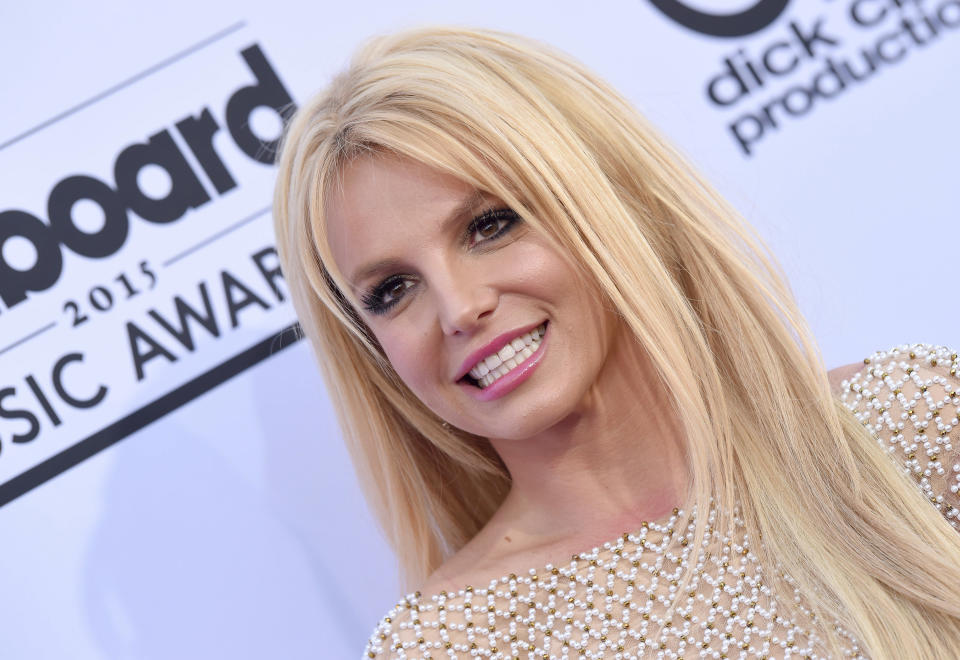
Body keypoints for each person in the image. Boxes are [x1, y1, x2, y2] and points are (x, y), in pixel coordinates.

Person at [272, 27, 960, 659]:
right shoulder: (451, 645)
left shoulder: (909, 421)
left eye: (490, 225)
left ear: (605, 201)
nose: (458, 308)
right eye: (393, 290)